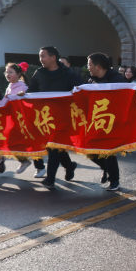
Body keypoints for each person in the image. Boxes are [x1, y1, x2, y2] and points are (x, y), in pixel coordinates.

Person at [29, 46, 83, 187]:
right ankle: (69, 165)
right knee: (55, 146)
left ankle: (50, 178)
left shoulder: (68, 73)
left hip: (63, 117)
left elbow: (80, 90)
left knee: (53, 146)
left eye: (43, 56)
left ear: (53, 57)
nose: (41, 59)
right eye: (40, 56)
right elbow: (31, 92)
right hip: (45, 117)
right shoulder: (39, 73)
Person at [87, 53, 125, 190]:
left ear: (98, 66)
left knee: (108, 151)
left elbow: (126, 97)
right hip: (96, 120)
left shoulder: (117, 79)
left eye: (89, 64)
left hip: (112, 121)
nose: (88, 68)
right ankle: (106, 168)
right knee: (89, 150)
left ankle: (114, 180)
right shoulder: (91, 81)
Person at [3, 62, 35, 175]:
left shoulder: (23, 86)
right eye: (6, 72)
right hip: (13, 120)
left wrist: (23, 94)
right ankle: (23, 160)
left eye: (10, 72)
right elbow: (5, 101)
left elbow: (29, 98)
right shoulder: (9, 86)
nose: (7, 74)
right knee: (11, 142)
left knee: (31, 143)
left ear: (18, 74)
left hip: (23, 121)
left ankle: (38, 166)